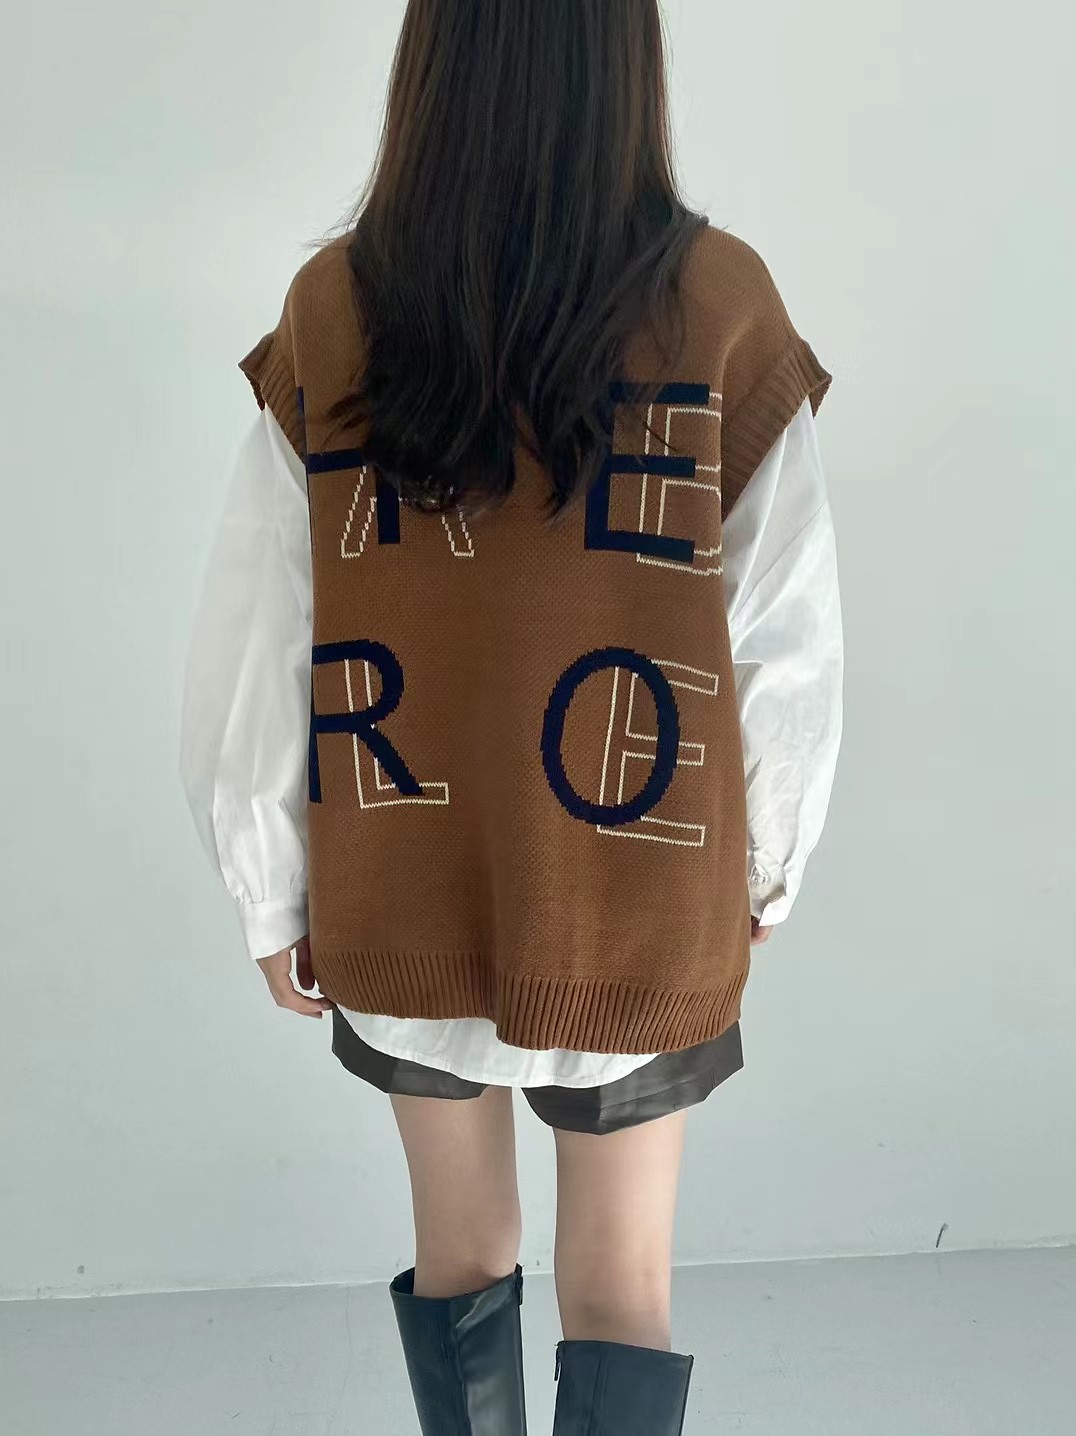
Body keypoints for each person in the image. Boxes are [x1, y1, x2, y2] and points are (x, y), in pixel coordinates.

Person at [178, 2, 843, 1431]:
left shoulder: (339, 310)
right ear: (625, 64)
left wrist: (267, 881)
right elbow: (784, 635)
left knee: (461, 1245)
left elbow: (266, 620)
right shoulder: (723, 304)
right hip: (640, 875)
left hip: (403, 867)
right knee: (624, 1282)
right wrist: (764, 868)